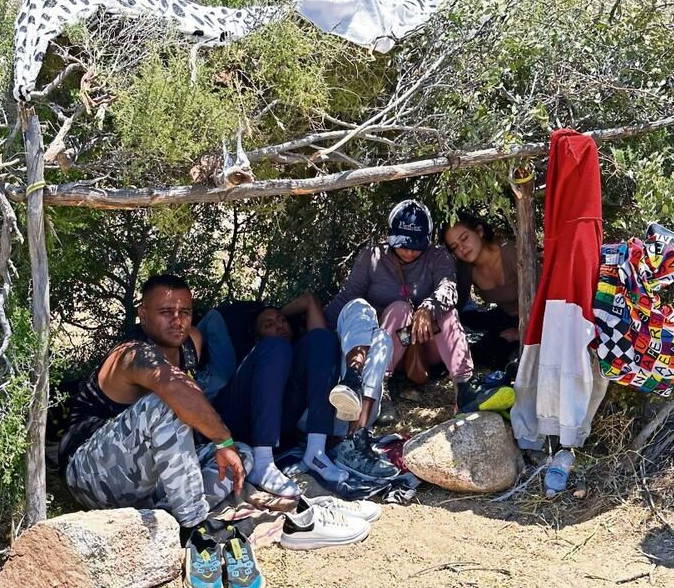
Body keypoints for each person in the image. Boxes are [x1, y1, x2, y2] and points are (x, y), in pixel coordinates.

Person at [59, 274, 252, 530]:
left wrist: (227, 446)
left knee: (242, 453)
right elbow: (174, 387)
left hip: (147, 474)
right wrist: (221, 438)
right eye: (165, 311)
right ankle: (192, 526)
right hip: (90, 473)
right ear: (143, 314)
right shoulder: (131, 354)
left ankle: (164, 517)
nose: (177, 320)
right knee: (168, 402)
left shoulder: (191, 341)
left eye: (185, 311)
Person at [324, 199, 473, 477]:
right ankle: (383, 387)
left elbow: (448, 288)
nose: (408, 249)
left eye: (415, 243)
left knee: (447, 314)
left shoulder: (438, 257)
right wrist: (319, 328)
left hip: (426, 343)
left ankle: (464, 388)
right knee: (399, 309)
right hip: (389, 347)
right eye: (402, 242)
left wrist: (429, 308)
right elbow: (348, 297)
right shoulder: (373, 257)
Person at [213, 293, 347, 497]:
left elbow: (315, 325)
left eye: (282, 320)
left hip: (281, 421)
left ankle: (315, 452)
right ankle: (262, 462)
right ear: (257, 337)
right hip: (237, 417)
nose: (279, 326)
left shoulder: (297, 353)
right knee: (276, 346)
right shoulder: (259, 352)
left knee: (323, 337)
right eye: (268, 325)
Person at [443, 213, 522, 371]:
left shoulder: (509, 252)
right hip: (504, 316)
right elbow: (458, 302)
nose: (462, 248)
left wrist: (523, 332)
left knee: (502, 357)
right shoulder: (466, 267)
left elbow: (547, 295)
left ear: (479, 231)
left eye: (464, 238)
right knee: (477, 347)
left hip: (540, 318)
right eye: (454, 247)